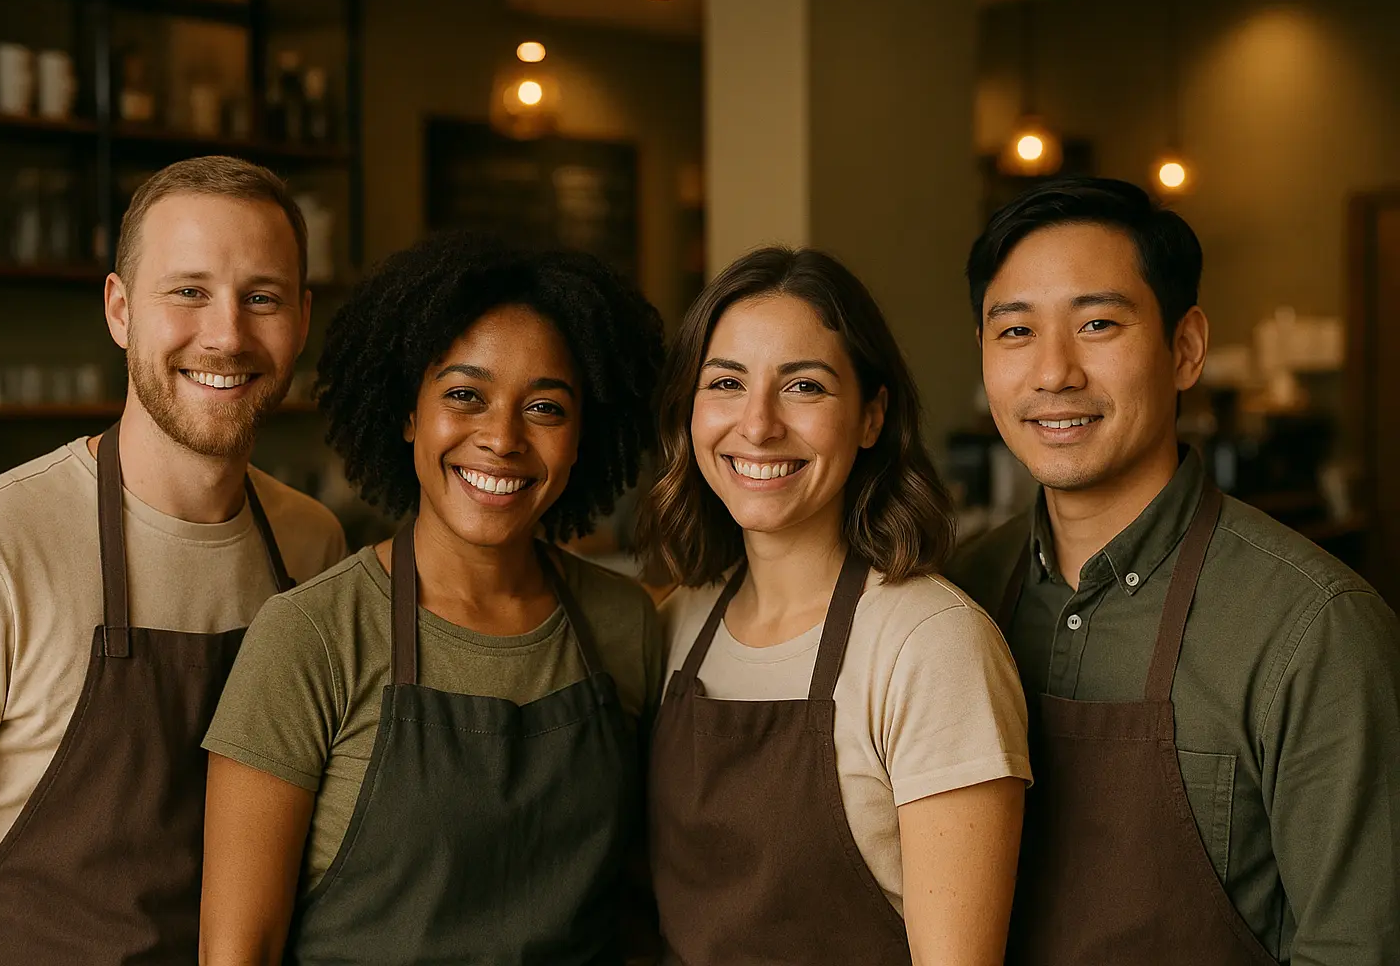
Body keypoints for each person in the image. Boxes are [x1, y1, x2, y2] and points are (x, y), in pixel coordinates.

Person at [0, 155, 348, 965]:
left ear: (301, 320)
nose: (226, 334)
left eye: (260, 297)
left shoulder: (311, 544)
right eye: (187, 291)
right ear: (120, 309)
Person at [947, 177, 1400, 966]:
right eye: (1015, 332)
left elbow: (1358, 946)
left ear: (1185, 348)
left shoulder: (1315, 626)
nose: (1054, 372)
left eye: (1097, 324)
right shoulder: (954, 601)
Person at [198, 232, 666, 965]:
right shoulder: (312, 635)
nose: (502, 438)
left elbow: (637, 906)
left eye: (545, 408)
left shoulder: (624, 622)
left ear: (584, 437)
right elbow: (236, 952)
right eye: (464, 397)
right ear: (409, 413)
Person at [640, 247, 1031, 966]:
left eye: (805, 388)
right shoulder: (676, 623)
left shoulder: (931, 645)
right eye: (726, 382)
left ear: (871, 416)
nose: (757, 425)